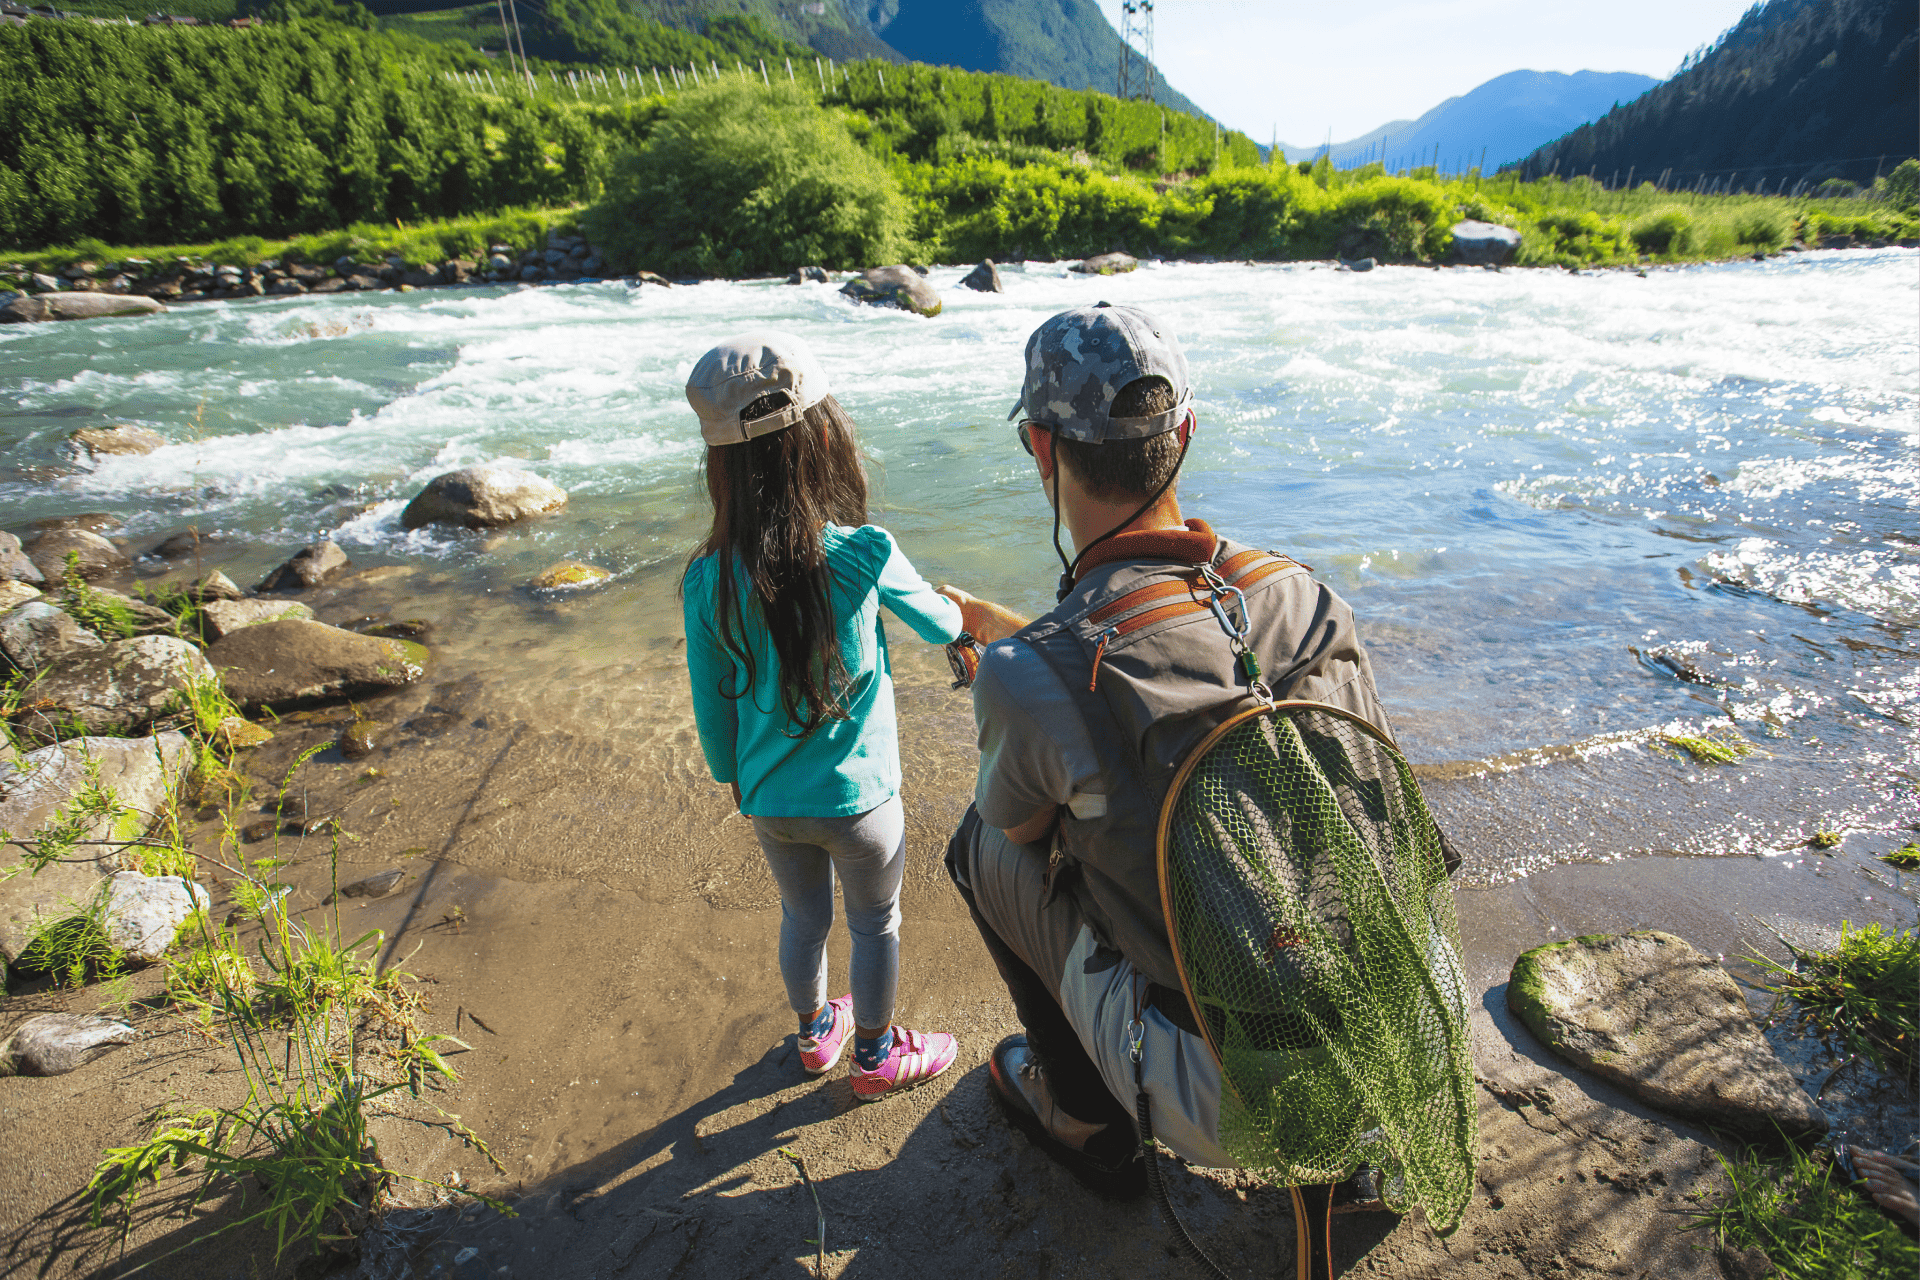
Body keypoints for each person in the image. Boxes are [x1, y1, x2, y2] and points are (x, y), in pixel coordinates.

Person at [936, 302, 1412, 1198]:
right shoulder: (1300, 592)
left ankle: (1084, 1118)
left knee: (980, 844)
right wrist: (1026, 653)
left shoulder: (1023, 674)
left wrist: (1005, 673)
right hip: (1400, 1025)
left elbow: (1023, 825)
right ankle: (1369, 1148)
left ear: (1041, 447)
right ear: (1184, 431)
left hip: (1218, 1094)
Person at [681, 330, 961, 1102]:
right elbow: (940, 626)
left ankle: (814, 1037)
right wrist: (960, 612)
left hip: (770, 800)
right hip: (863, 803)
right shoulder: (863, 552)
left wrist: (733, 780)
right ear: (824, 439)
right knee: (876, 924)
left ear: (720, 468)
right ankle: (874, 1054)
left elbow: (713, 715)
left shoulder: (706, 581)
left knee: (802, 920)